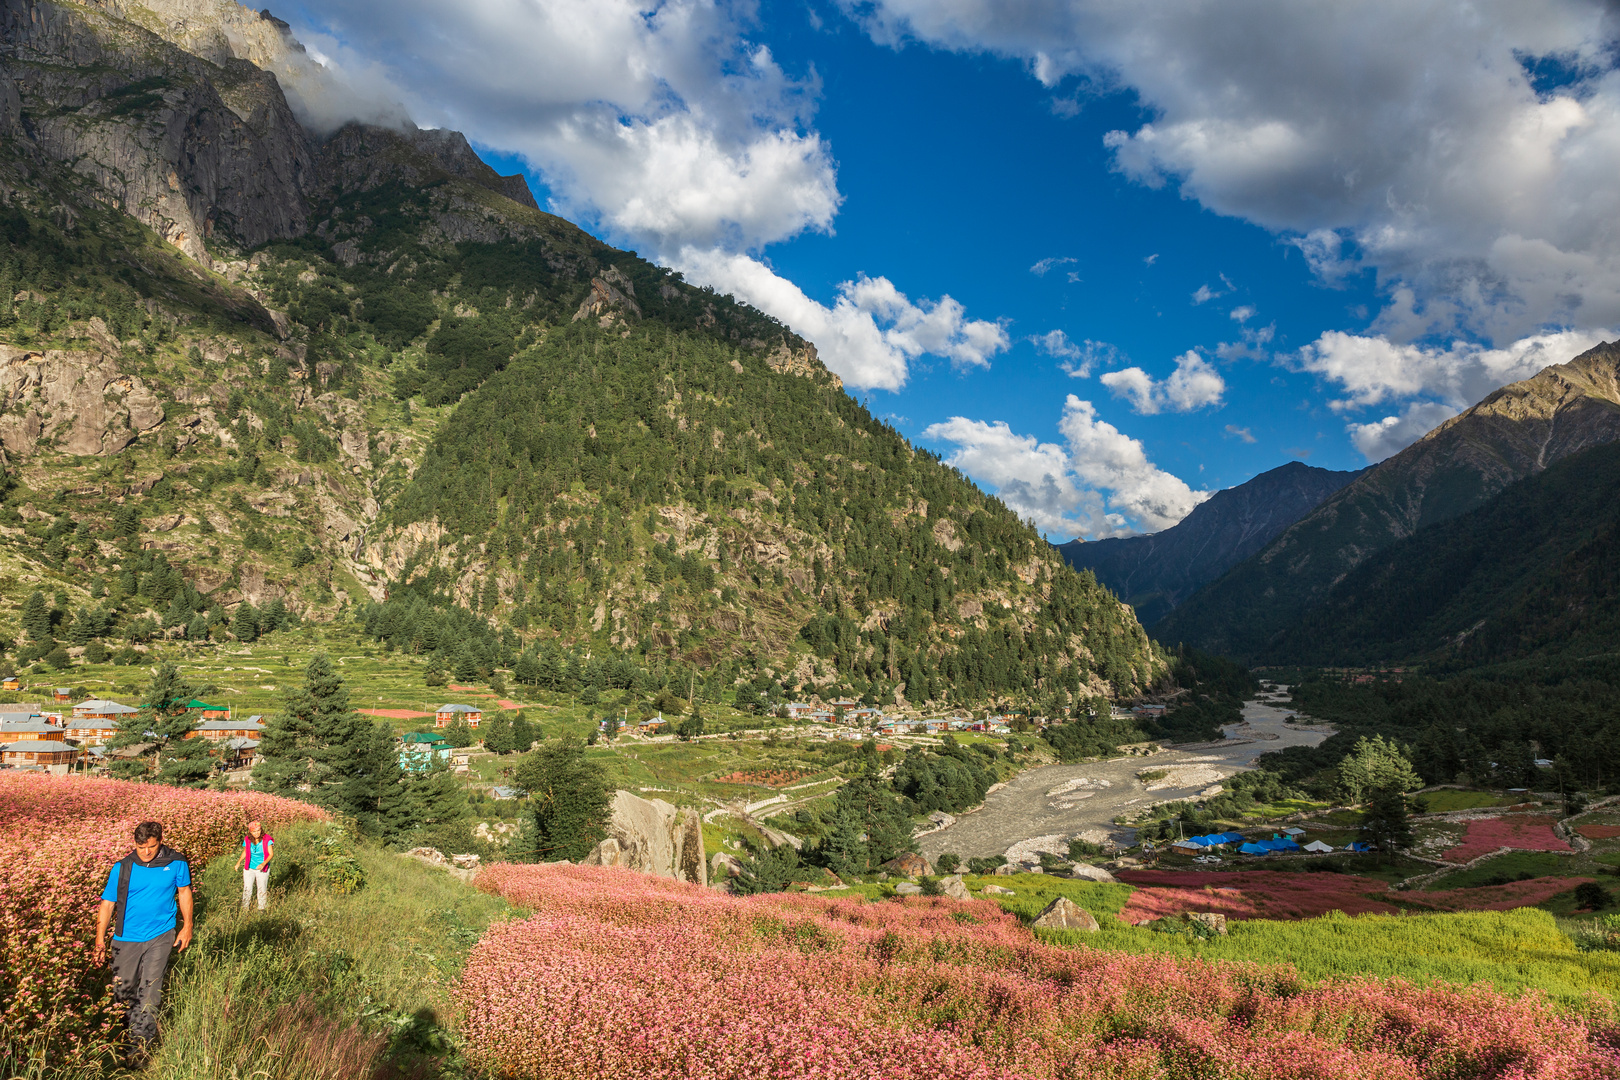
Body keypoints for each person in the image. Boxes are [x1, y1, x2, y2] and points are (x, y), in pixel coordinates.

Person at [93, 821, 193, 1058]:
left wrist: (187, 926)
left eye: (151, 846)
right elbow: (107, 904)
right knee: (123, 991)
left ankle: (139, 1049)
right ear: (134, 844)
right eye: (141, 848)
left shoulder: (176, 862)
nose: (147, 852)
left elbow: (184, 893)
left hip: (161, 935)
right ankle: (122, 1040)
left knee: (150, 991)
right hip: (125, 938)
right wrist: (99, 941)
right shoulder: (122, 867)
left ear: (160, 841)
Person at [239, 820, 274, 911]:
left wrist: (263, 863)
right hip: (249, 868)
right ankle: (244, 909)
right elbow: (245, 851)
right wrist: (238, 862)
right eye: (254, 831)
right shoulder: (247, 839)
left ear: (261, 830)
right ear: (250, 832)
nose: (256, 833)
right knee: (247, 889)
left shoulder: (267, 840)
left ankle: (261, 909)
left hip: (261, 869)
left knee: (262, 889)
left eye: (258, 830)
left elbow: (271, 854)